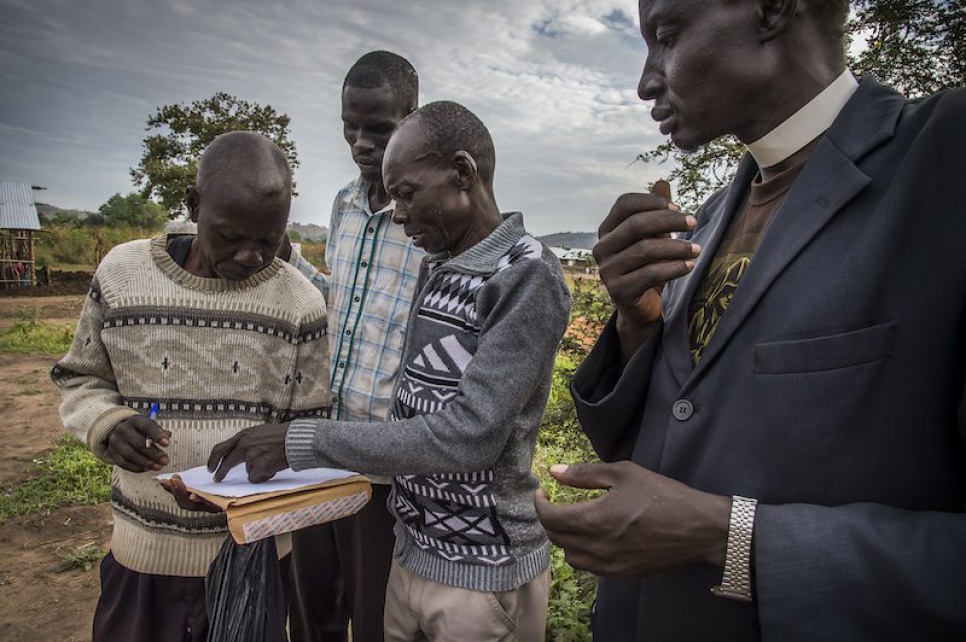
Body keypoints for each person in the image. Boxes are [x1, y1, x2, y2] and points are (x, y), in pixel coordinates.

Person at [534, 0, 966, 640]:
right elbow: (666, 439)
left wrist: (730, 539)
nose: (646, 81)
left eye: (668, 35)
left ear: (772, 10)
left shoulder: (944, 163)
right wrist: (637, 323)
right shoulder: (706, 221)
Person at [208, 100, 572, 641]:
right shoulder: (438, 267)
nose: (397, 214)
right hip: (413, 555)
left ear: (463, 173)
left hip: (481, 577)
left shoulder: (525, 275)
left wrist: (302, 441)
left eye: (406, 194)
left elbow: (470, 435)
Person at [51, 131, 330, 642]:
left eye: (269, 241)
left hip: (254, 558)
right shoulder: (122, 275)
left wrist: (246, 491)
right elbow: (80, 377)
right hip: (144, 555)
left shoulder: (300, 302)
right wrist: (108, 426)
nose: (251, 255)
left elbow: (312, 428)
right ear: (194, 205)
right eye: (230, 236)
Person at [286, 50, 425, 642]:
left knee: (373, 616)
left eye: (379, 128)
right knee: (313, 607)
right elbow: (338, 300)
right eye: (351, 126)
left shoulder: (427, 214)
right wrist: (287, 259)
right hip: (320, 446)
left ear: (411, 120)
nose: (361, 142)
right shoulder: (344, 204)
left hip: (380, 461)